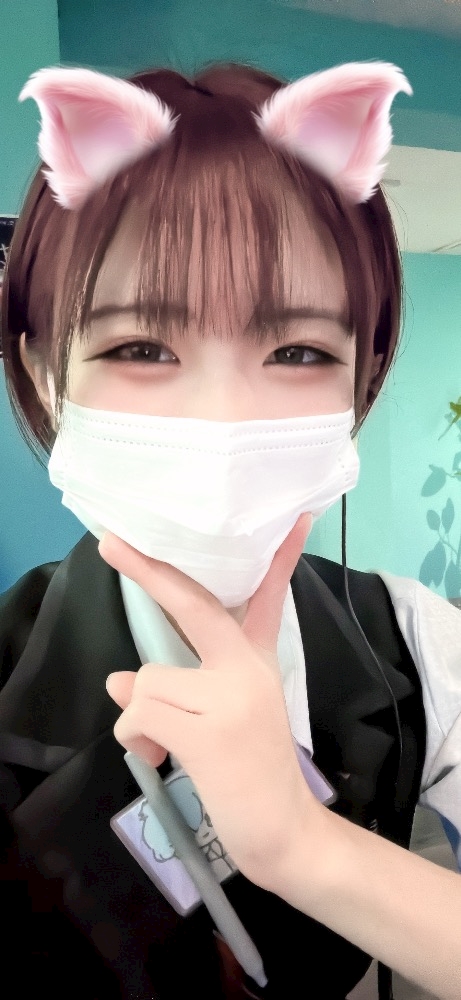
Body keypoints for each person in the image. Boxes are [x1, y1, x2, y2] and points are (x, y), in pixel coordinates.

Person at [0, 57, 459, 1000]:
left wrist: (306, 846)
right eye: (140, 346)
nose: (223, 419)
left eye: (296, 350)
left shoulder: (420, 645)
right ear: (46, 372)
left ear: (362, 378)